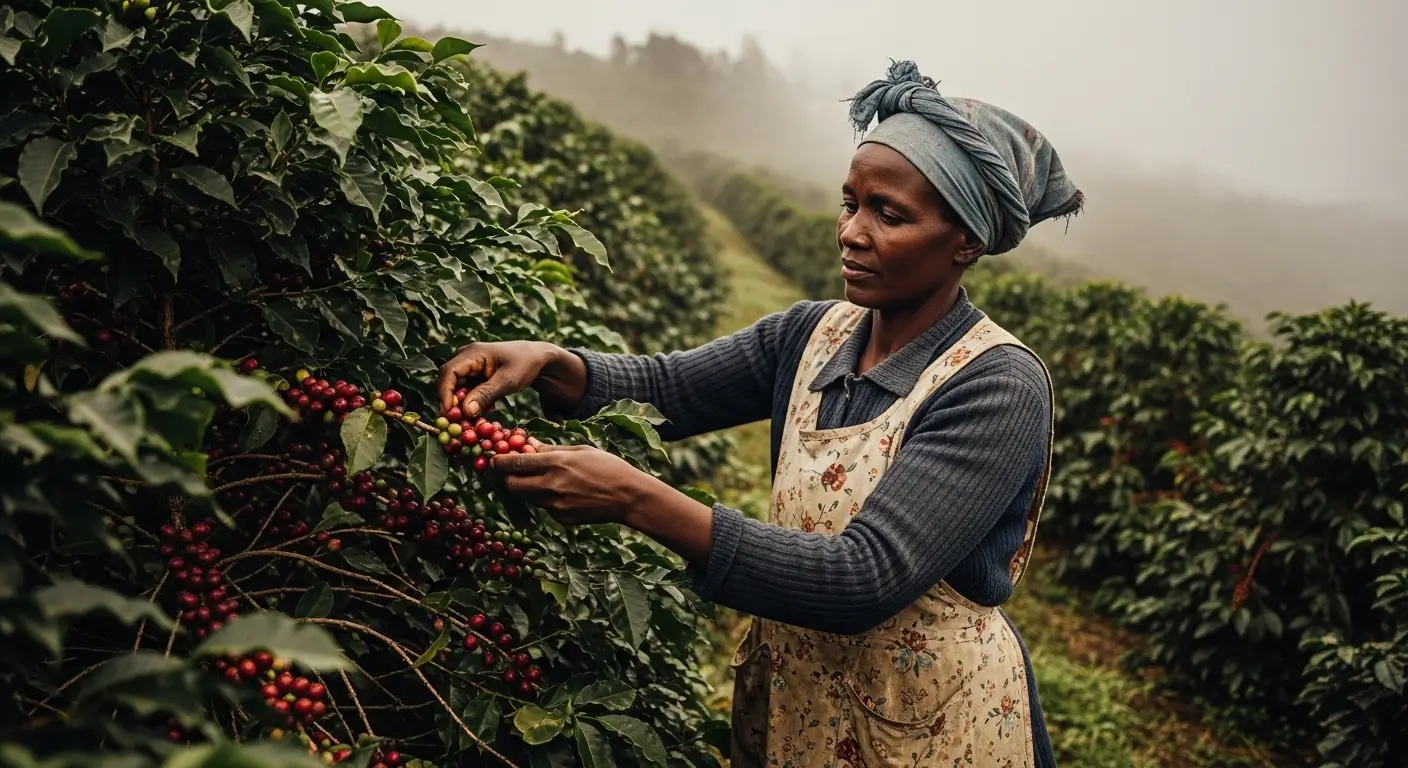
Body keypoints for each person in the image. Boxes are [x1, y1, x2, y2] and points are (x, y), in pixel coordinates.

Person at [437, 60, 1083, 768]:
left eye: (889, 215)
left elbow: (862, 577)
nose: (851, 232)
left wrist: (633, 497)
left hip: (927, 723)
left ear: (967, 241)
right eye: (850, 203)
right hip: (799, 699)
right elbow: (669, 388)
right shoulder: (812, 334)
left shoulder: (997, 384)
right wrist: (555, 363)